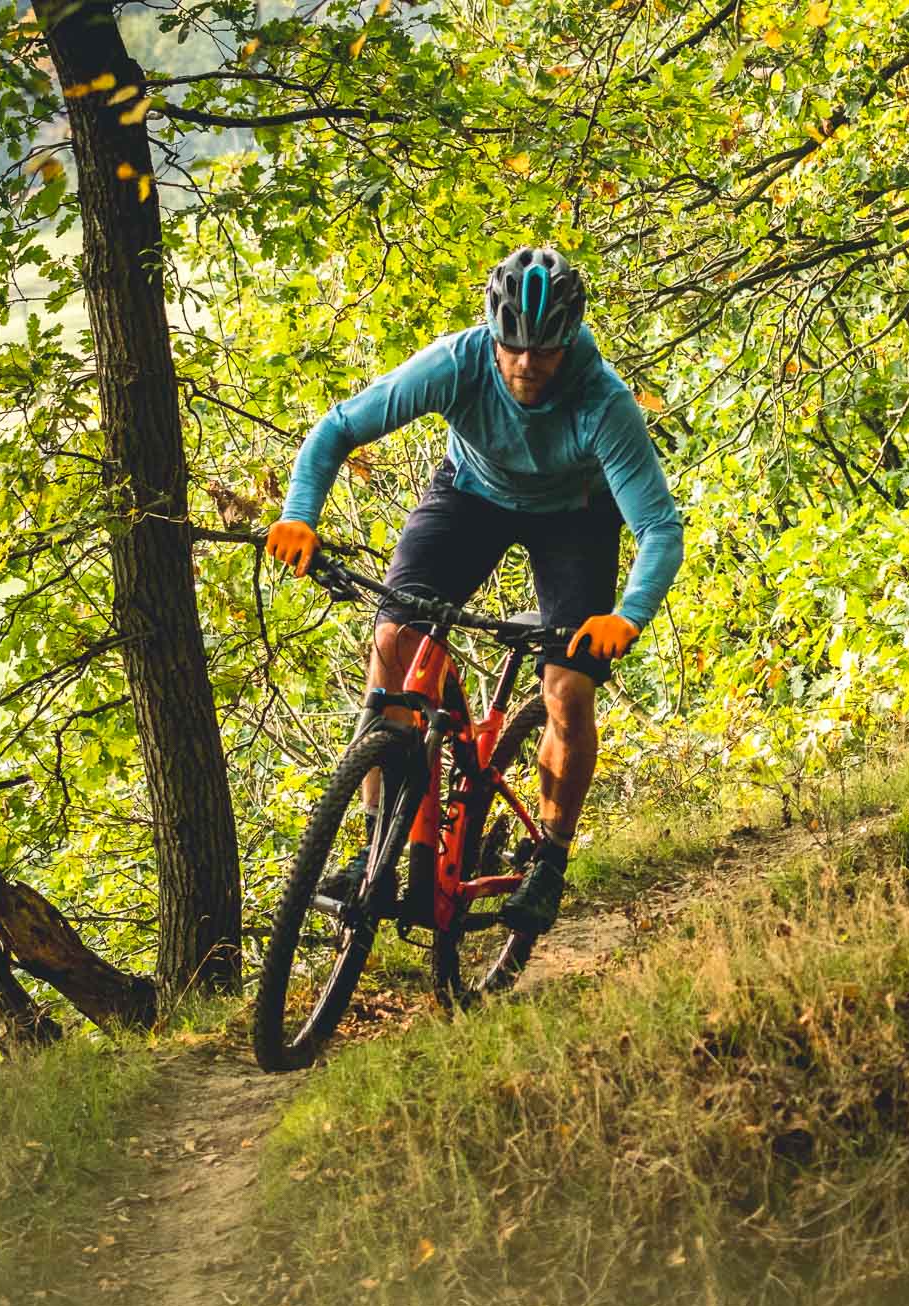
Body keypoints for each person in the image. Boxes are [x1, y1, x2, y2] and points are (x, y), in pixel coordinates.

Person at [264, 246, 683, 935]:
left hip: (575, 517)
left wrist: (626, 616)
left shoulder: (603, 402)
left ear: (567, 343)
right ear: (492, 334)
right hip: (471, 494)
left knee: (568, 690)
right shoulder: (457, 362)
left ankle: (548, 860)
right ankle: (376, 850)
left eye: (543, 353)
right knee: (394, 638)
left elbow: (659, 526)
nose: (524, 366)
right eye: (511, 348)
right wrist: (300, 514)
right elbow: (339, 427)